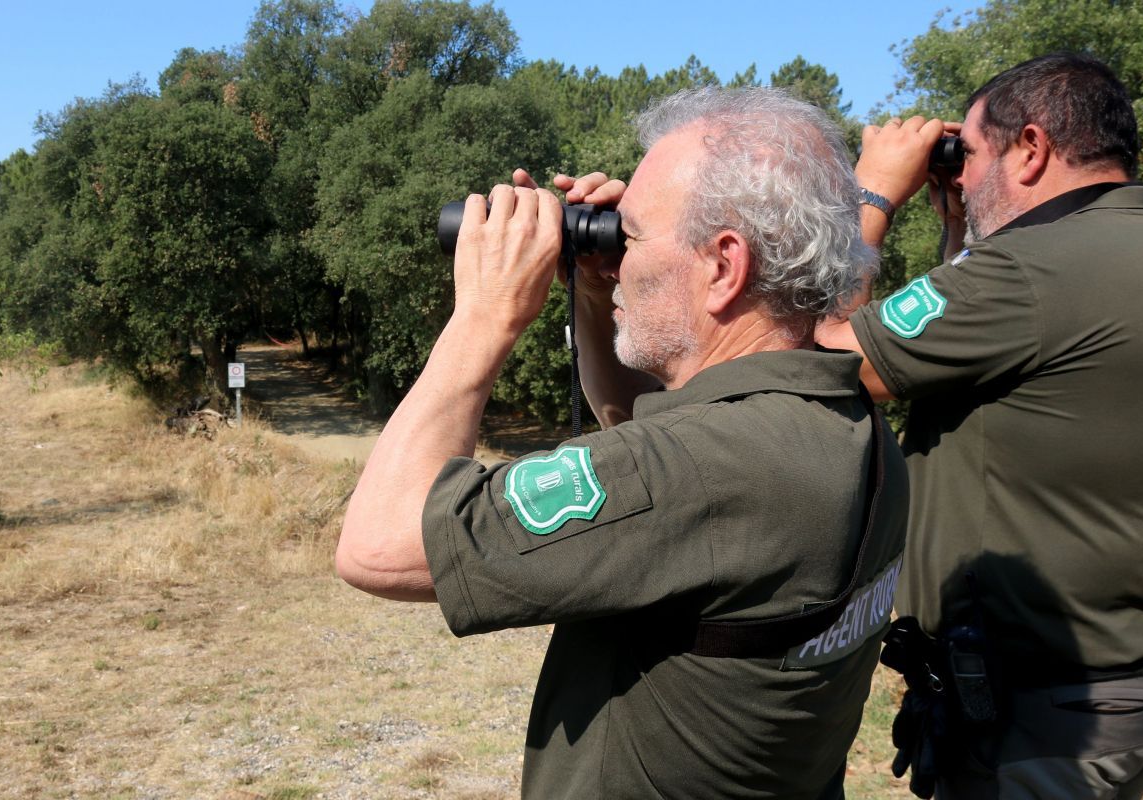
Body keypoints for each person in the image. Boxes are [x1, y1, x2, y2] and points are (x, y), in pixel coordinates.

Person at [336, 86, 909, 799]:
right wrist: (593, 295)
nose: (619, 253)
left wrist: (483, 318)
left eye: (630, 236)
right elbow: (647, 445)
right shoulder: (847, 424)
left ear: (724, 266)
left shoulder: (711, 466)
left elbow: (378, 545)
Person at [818, 53, 1143, 799]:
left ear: (1031, 148)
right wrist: (961, 231)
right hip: (1134, 680)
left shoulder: (1033, 271)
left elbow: (833, 358)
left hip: (1039, 711)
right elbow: (1016, 359)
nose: (959, 175)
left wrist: (872, 195)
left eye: (972, 155)